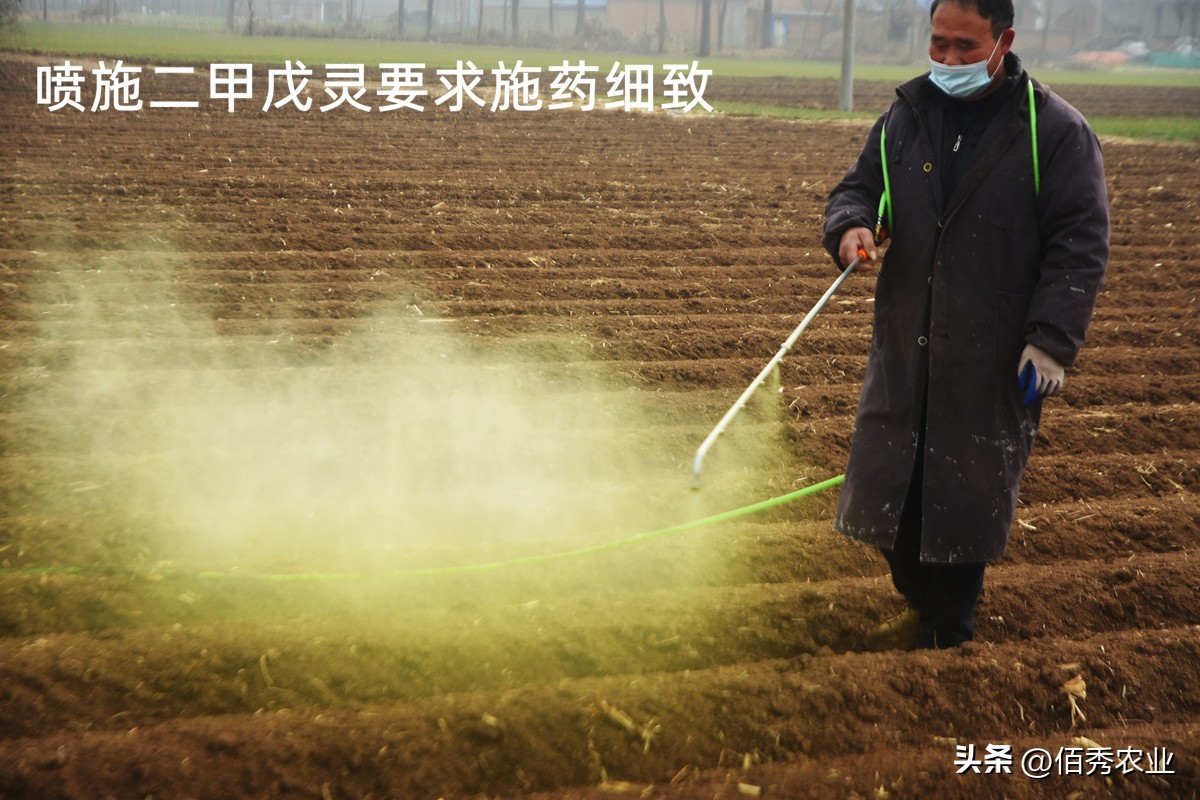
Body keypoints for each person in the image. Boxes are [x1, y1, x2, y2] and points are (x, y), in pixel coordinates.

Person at [822, 0, 1109, 649]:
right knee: (891, 500)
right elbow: (856, 189)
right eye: (939, 44)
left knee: (960, 505)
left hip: (991, 356)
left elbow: (1080, 241)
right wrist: (852, 227)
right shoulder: (907, 116)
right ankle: (926, 608)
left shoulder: (1053, 132)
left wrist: (1052, 343)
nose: (947, 60)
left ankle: (946, 636)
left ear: (1003, 40)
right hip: (908, 344)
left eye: (965, 47)